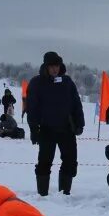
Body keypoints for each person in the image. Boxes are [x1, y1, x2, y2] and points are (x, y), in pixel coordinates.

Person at [27, 51, 85, 196]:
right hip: (46, 129)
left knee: (70, 161)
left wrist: (79, 123)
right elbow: (32, 108)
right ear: (46, 67)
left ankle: (64, 194)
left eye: (57, 66)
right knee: (44, 162)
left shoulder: (67, 82)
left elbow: (76, 104)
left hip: (66, 128)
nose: (55, 69)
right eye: (52, 66)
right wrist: (34, 129)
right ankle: (42, 195)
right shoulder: (36, 83)